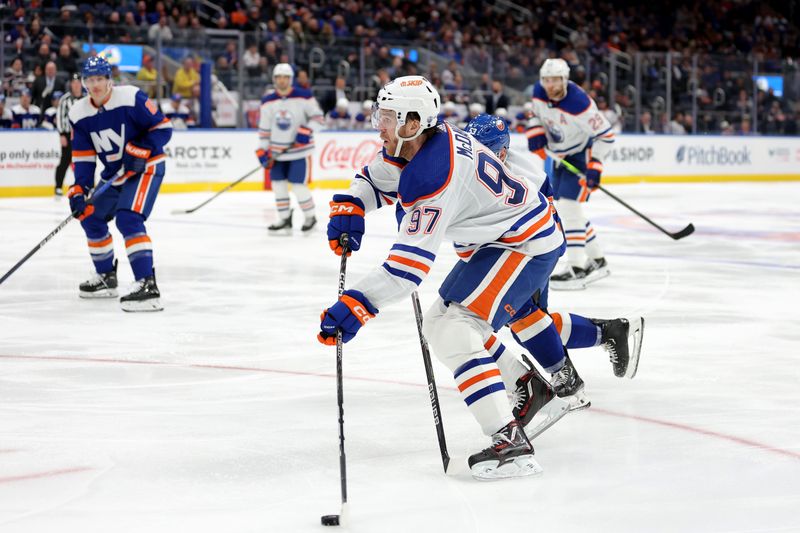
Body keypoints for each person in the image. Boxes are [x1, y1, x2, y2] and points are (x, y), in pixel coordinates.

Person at [317, 76, 642, 480]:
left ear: (413, 122)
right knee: (441, 322)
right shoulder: (419, 145)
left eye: (385, 117)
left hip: (525, 243)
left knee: (456, 326)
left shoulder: (436, 174)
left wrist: (356, 304)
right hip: (501, 239)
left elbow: (407, 271)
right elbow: (375, 177)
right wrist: (353, 203)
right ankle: (529, 386)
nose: (377, 125)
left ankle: (510, 441)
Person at [465, 113, 645, 411]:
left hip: (532, 249)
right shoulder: (504, 165)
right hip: (529, 247)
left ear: (501, 151)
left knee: (522, 317)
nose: (476, 155)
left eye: (484, 149)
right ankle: (610, 333)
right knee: (532, 322)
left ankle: (568, 375)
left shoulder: (517, 175)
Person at [67, 56, 173, 311]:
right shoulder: (78, 113)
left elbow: (163, 128)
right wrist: (79, 188)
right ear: (83, 82)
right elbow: (83, 158)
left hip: (147, 166)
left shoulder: (131, 97)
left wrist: (140, 148)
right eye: (90, 80)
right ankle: (106, 276)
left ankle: (147, 284)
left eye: (100, 79)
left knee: (128, 218)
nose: (96, 85)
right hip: (115, 173)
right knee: (90, 215)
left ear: (109, 80)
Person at [526, 58, 615, 290]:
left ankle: (576, 266)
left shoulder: (580, 103)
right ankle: (597, 260)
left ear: (565, 79)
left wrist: (595, 164)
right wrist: (534, 128)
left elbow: (606, 136)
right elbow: (533, 112)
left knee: (568, 207)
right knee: (568, 209)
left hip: (581, 155)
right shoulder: (539, 92)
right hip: (558, 157)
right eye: (546, 80)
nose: (550, 85)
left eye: (555, 80)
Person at [256, 63, 325, 234]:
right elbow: (264, 130)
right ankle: (284, 218)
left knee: (298, 186)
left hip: (299, 152)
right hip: (277, 153)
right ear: (274, 79)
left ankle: (310, 216)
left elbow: (319, 118)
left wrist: (306, 130)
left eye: (285, 77)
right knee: (278, 185)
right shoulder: (267, 101)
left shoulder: (304, 96)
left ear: (291, 79)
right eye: (279, 77)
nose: (282, 80)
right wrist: (262, 150)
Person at [54, 73, 85, 196]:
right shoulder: (65, 99)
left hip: (83, 135)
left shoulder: (86, 98)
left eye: (78, 83)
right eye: (74, 83)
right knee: (65, 160)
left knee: (85, 160)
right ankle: (58, 186)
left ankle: (85, 185)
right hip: (68, 134)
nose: (76, 85)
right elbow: (60, 117)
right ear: (71, 84)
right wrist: (62, 134)